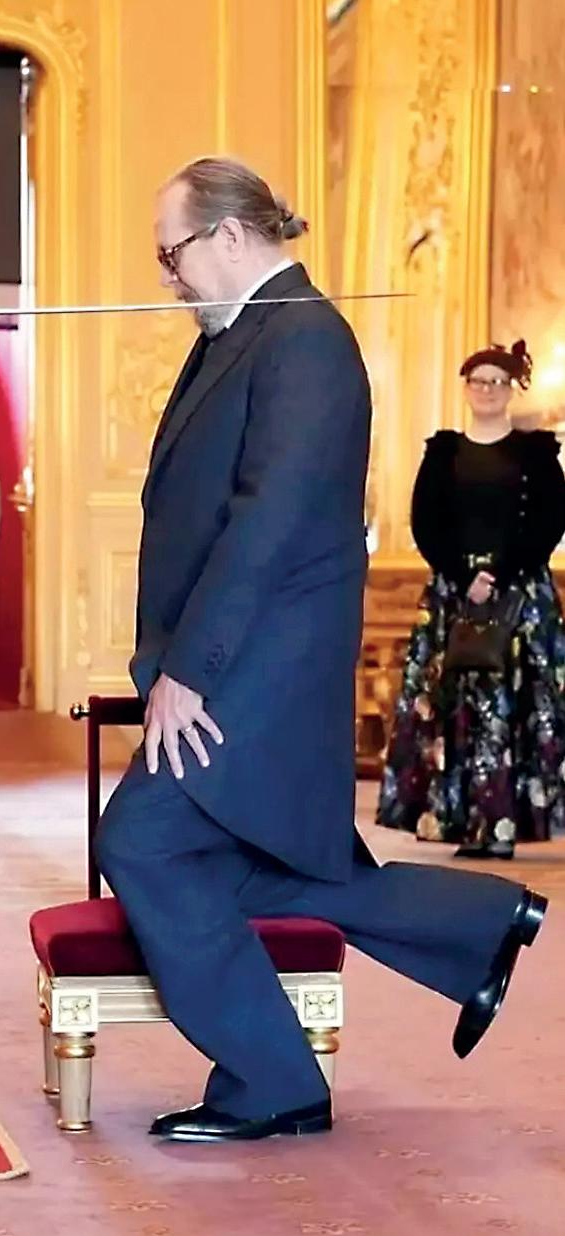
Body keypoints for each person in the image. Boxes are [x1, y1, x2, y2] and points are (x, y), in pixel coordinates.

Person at [93, 155, 546, 1145]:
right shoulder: (247, 332)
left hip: (250, 671)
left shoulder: (302, 340)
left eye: (172, 254)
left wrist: (187, 671)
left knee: (140, 841)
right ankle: (477, 925)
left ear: (226, 235)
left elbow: (267, 524)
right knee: (244, 858)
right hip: (239, 663)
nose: (167, 278)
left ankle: (272, 1079)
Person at [377, 342, 565, 859]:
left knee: (517, 711)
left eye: (496, 382)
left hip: (519, 595)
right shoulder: (443, 452)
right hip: (454, 594)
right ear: (466, 388)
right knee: (454, 709)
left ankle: (503, 825)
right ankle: (463, 822)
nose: (487, 390)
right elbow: (425, 523)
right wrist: (465, 577)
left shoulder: (536, 454)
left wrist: (498, 576)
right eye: (478, 381)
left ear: (511, 390)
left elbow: (550, 520)